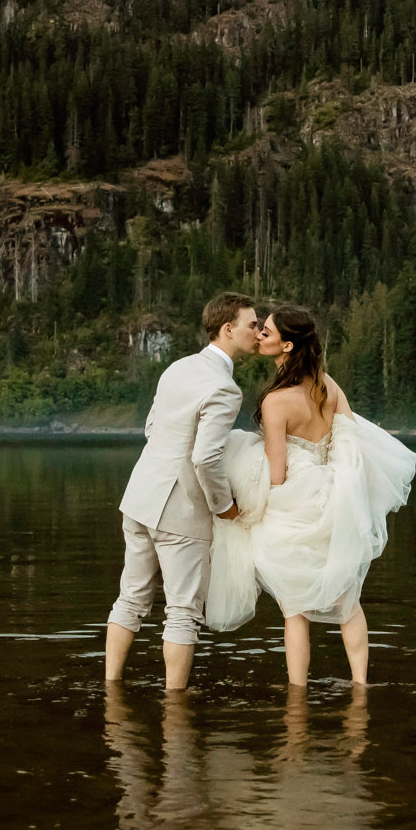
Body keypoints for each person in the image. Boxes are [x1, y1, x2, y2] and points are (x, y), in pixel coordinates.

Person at [207, 305, 416, 685]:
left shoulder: (276, 402)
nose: (258, 336)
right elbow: (351, 439)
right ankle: (360, 685)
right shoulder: (328, 385)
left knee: (294, 609)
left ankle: (298, 696)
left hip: (294, 503)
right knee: (347, 600)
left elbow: (277, 470)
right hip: (334, 495)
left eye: (266, 333)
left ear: (287, 345)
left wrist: (251, 496)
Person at [105, 291, 263, 689]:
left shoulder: (176, 368)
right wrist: (226, 508)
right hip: (180, 510)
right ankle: (175, 712)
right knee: (182, 612)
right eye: (252, 324)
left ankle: (110, 688)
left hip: (140, 496)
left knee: (130, 598)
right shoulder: (225, 389)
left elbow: (152, 428)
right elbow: (205, 459)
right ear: (228, 329)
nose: (258, 331)